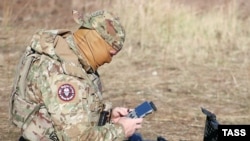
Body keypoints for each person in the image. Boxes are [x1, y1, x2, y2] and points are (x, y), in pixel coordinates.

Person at [9, 10, 144, 141]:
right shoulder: (65, 77)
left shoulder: (62, 52)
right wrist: (121, 130)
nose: (109, 61)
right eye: (111, 53)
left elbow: (66, 111)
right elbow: (78, 139)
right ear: (96, 41)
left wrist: (108, 117)